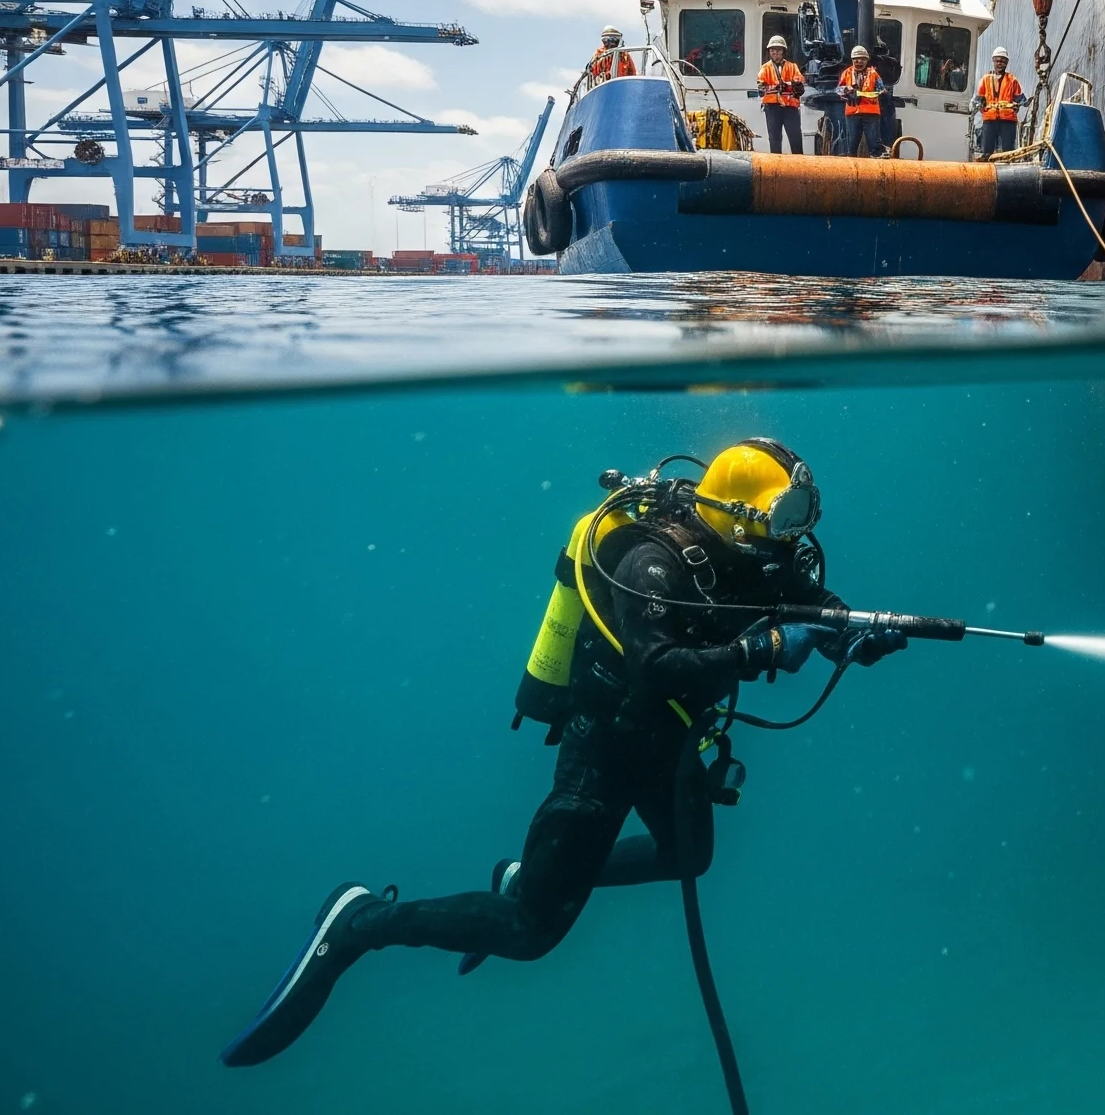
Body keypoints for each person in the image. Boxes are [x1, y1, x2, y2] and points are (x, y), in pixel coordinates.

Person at [219, 438, 907, 1068]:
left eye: (802, 513)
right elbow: (656, 665)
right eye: (784, 513)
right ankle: (361, 924)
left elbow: (812, 604)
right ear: (738, 513)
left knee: (690, 854)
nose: (796, 533)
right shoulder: (653, 561)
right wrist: (757, 650)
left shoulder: (766, 556)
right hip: (606, 737)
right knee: (527, 932)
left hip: (673, 739)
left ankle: (526, 874)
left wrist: (852, 635)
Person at [754, 36, 807, 155]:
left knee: (796, 139)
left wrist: (795, 85)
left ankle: (800, 170)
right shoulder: (765, 68)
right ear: (769, 52)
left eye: (778, 50)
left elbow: (799, 80)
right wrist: (776, 87)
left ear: (783, 51)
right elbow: (761, 86)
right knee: (774, 140)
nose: (775, 52)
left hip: (790, 108)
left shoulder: (792, 66)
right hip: (772, 108)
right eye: (772, 50)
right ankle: (776, 170)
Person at [973, 48, 1025, 158]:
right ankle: (986, 171)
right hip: (989, 119)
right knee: (987, 151)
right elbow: (978, 98)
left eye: (1002, 61)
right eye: (997, 61)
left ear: (1006, 63)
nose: (999, 64)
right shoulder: (985, 79)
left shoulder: (1012, 80)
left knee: (1008, 151)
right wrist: (979, 105)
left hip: (1008, 121)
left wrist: (1020, 104)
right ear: (993, 61)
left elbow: (1021, 99)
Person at [837, 44, 886, 158]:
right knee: (851, 145)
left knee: (874, 145)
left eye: (862, 59)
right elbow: (838, 89)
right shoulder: (847, 73)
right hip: (852, 113)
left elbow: (881, 90)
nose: (859, 62)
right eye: (856, 59)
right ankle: (851, 171)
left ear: (867, 60)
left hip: (871, 114)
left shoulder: (873, 74)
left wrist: (865, 94)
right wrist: (846, 91)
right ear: (852, 60)